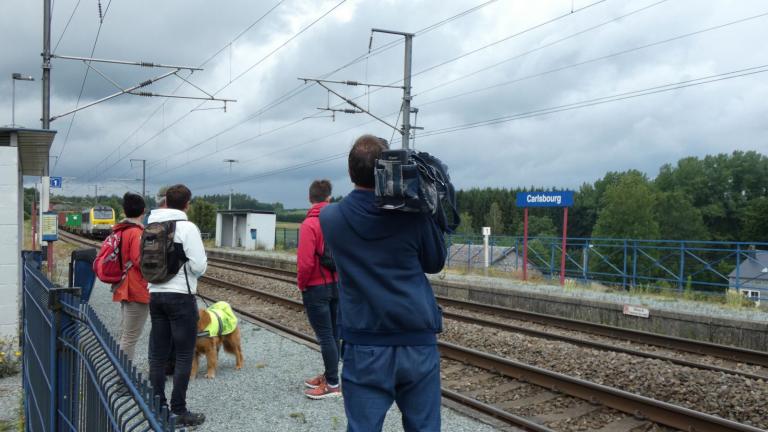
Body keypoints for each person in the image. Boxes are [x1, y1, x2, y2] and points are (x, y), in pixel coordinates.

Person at [320, 135, 447, 431]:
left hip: (364, 342)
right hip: (416, 339)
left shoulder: (331, 217)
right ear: (391, 169)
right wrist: (430, 207)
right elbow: (434, 262)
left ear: (351, 172)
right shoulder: (414, 215)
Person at [147, 184, 207, 427]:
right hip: (180, 297)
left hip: (155, 295)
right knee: (184, 354)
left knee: (158, 354)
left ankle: (157, 406)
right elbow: (199, 266)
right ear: (186, 204)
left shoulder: (151, 225)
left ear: (165, 202)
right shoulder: (187, 228)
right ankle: (179, 410)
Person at [297, 180, 341, 399]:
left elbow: (305, 263)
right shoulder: (339, 221)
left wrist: (302, 284)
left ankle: (332, 385)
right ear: (328, 198)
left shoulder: (309, 224)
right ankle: (330, 375)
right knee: (334, 334)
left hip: (316, 288)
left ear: (309, 198)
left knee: (325, 336)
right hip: (338, 286)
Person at [112, 192, 149, 362]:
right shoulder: (136, 232)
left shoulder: (123, 229)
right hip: (135, 289)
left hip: (124, 285)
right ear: (143, 211)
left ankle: (122, 374)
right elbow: (138, 259)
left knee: (126, 333)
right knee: (130, 337)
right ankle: (123, 379)